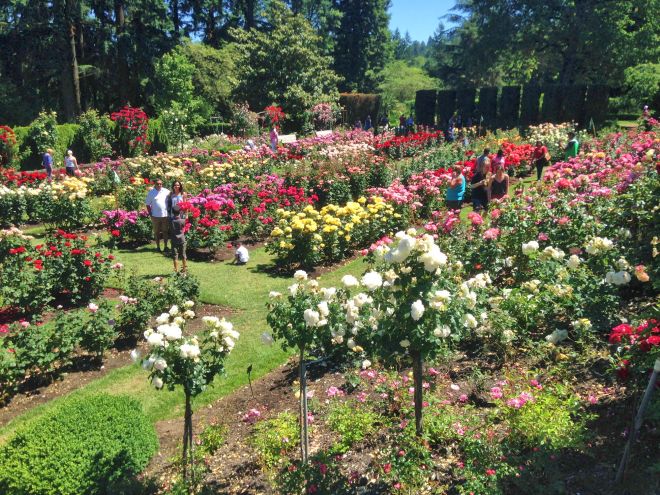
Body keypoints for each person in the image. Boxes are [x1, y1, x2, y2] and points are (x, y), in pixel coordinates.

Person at [145, 179, 170, 252]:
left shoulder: (166, 191)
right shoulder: (151, 193)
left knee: (165, 231)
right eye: (158, 184)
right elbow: (147, 204)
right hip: (155, 216)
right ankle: (158, 247)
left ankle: (166, 246)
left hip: (165, 215)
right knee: (156, 232)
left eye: (161, 184)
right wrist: (150, 214)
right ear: (155, 184)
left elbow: (173, 196)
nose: (159, 185)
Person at [170, 203, 187, 274]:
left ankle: (176, 270)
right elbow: (185, 219)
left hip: (174, 240)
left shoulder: (171, 221)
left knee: (175, 256)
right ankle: (184, 269)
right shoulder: (182, 220)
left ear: (172, 212)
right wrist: (186, 212)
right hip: (182, 239)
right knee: (183, 254)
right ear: (179, 212)